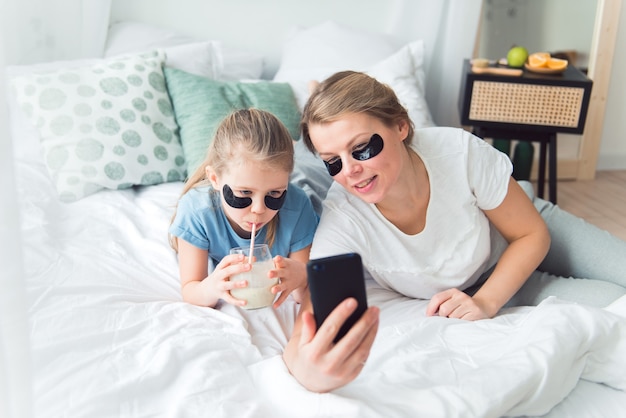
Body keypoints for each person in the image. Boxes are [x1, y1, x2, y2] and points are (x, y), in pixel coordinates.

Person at [297, 70, 626, 322]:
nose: (350, 170)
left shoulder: (457, 152)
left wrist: (485, 302)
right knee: (614, 302)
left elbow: (530, 233)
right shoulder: (343, 214)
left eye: (362, 148)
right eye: (333, 161)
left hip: (524, 227)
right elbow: (320, 298)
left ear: (400, 127)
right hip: (491, 279)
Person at [168, 108, 319, 309]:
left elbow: (302, 294)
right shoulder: (197, 212)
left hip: (313, 180)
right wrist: (211, 288)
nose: (258, 209)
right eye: (244, 193)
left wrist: (301, 277)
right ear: (214, 178)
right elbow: (191, 290)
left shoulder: (298, 206)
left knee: (314, 160)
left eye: (274, 194)